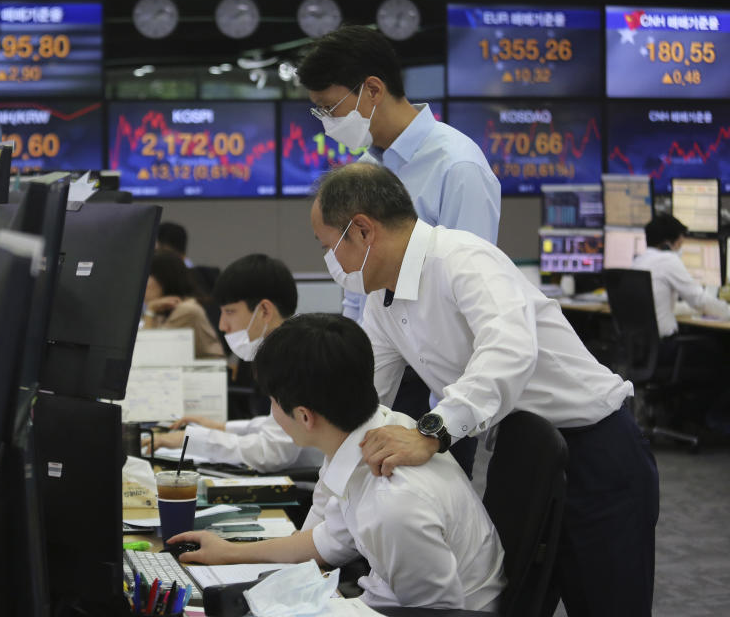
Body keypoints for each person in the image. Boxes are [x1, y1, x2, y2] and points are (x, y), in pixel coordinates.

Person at [311, 162, 658, 617]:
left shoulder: (462, 259)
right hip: (523, 456)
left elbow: (509, 351)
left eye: (327, 247)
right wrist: (313, 532)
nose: (330, 263)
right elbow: (355, 406)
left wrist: (432, 431)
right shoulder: (382, 302)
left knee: (607, 605)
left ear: (361, 231)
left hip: (598, 453)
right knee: (517, 603)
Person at [168, 313, 506, 611]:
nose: (271, 411)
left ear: (304, 416)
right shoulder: (375, 433)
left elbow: (436, 611)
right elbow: (330, 539)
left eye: (272, 401)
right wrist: (230, 551)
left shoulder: (392, 502)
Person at [297, 25, 501, 323]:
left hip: (442, 357)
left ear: (373, 90)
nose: (328, 122)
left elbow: (473, 289)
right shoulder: (363, 172)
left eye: (330, 108)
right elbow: (357, 292)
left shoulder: (458, 167)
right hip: (380, 351)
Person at [151, 254, 323, 472]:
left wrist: (189, 439)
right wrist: (220, 427)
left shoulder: (297, 360)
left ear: (264, 311)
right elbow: (275, 426)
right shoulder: (290, 349)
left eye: (229, 312)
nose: (222, 325)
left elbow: (273, 452)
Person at [633, 214, 730, 343]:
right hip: (665, 346)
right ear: (667, 244)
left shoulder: (637, 261)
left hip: (641, 348)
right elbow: (699, 300)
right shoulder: (668, 260)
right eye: (680, 243)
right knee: (717, 345)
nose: (680, 248)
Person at [143, 250, 223, 359]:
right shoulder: (163, 310)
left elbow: (149, 352)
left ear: (163, 279)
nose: (142, 284)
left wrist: (150, 311)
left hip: (207, 374)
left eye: (147, 276)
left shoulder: (186, 310)